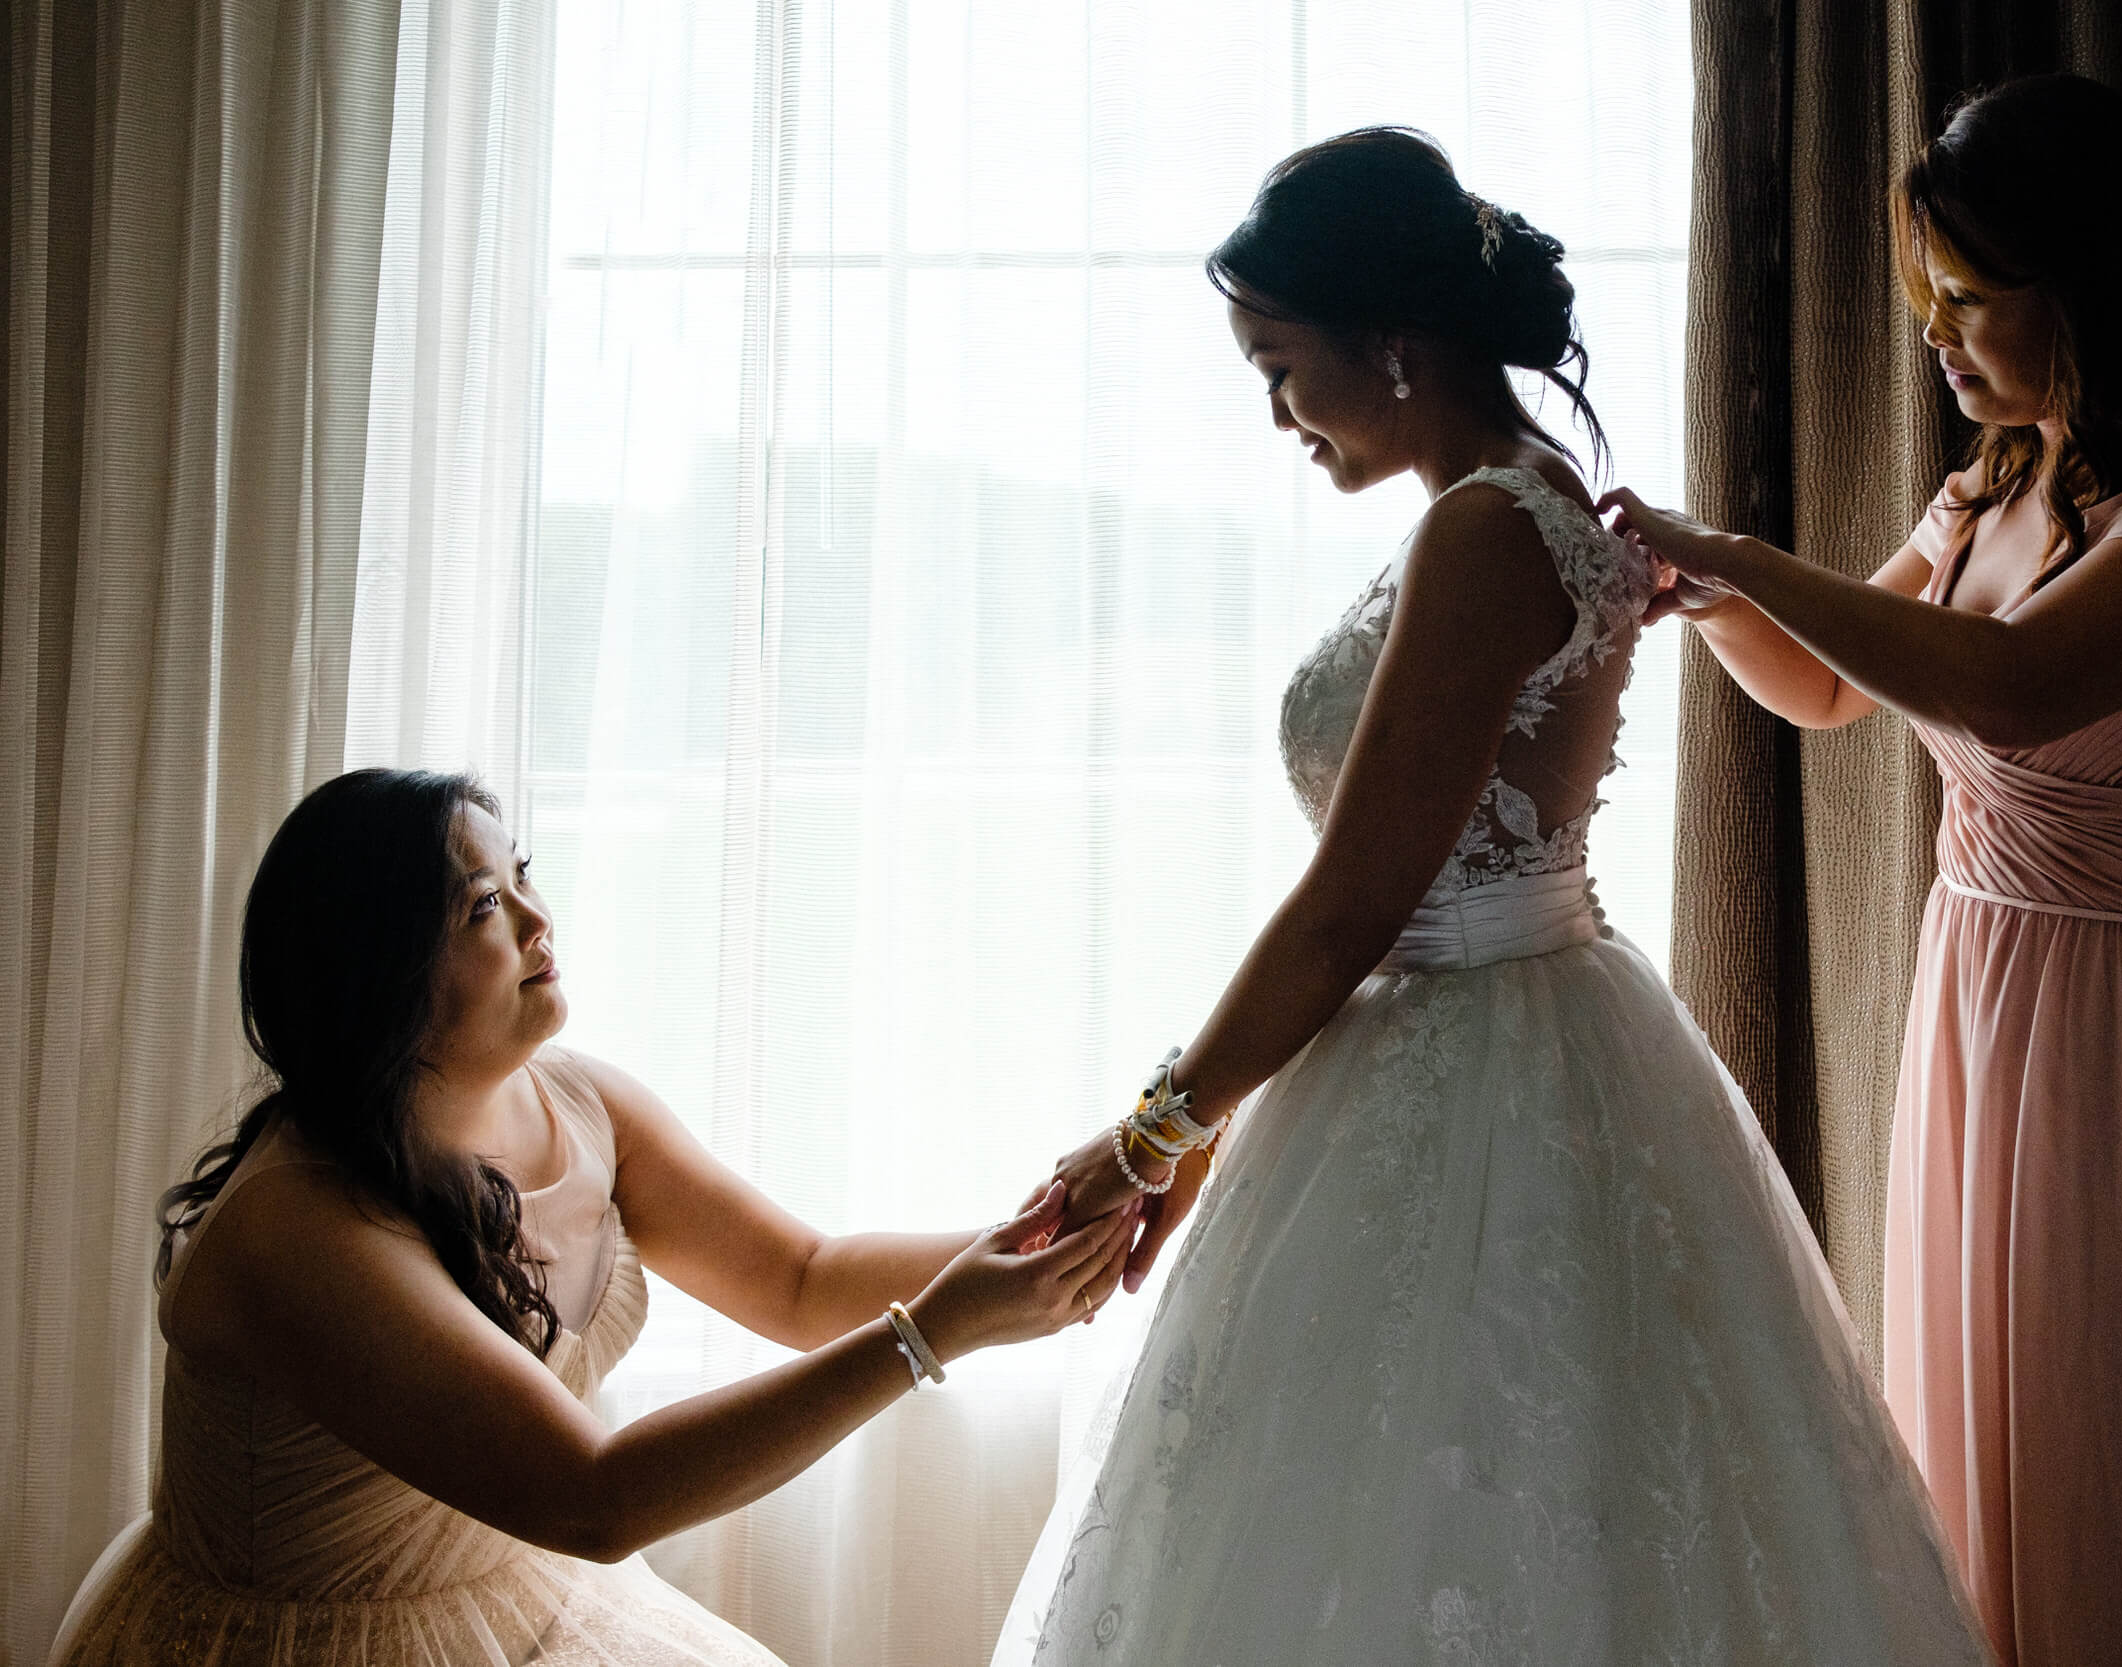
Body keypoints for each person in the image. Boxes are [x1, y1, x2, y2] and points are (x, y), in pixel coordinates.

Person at [991, 128, 1990, 1666]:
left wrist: (1152, 1132)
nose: (1276, 414)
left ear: (1391, 343)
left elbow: (1355, 900)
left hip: (1465, 1053)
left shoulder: (1485, 528)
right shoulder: (1526, 500)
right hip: (1521, 1028)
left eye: (1280, 366)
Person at [1597, 75, 2122, 1667]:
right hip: (1976, 997)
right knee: (1989, 1425)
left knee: (2116, 1425)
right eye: (1926, 299)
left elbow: (2005, 689)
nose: (1935, 335)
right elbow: (1828, 690)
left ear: (2083, 283)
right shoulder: (1997, 485)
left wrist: (1749, 554)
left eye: (1966, 298)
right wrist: (1707, 598)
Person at [49, 768, 1132, 1667]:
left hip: (514, 1597)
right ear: (377, 971)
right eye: (483, 906)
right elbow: (594, 1499)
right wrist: (930, 1333)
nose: (538, 919)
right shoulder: (297, 1230)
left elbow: (801, 1278)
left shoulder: (580, 1103)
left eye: (521, 876)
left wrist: (1045, 1228)